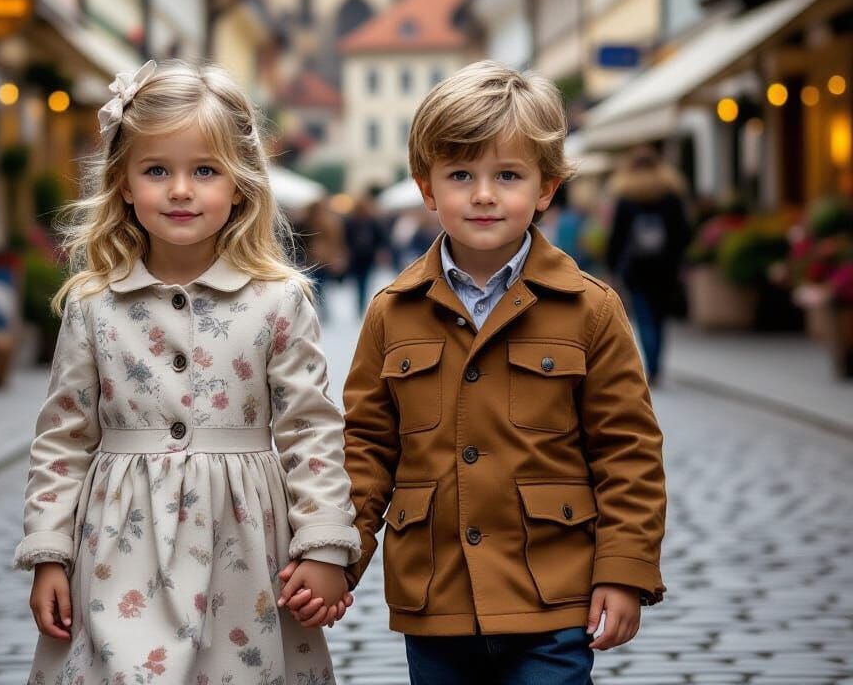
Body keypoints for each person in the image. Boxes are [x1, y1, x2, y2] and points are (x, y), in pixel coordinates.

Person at [281, 61, 667, 684]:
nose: (483, 194)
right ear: (428, 189)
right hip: (436, 600)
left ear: (546, 188)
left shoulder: (590, 308)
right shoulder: (393, 312)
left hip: (553, 596)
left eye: (508, 175)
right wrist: (334, 557)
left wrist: (624, 571)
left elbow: (628, 451)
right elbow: (364, 451)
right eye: (461, 174)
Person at [14, 59, 359, 685]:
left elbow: (313, 431)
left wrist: (325, 545)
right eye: (156, 170)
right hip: (120, 543)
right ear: (123, 182)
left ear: (241, 184)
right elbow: (62, 439)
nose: (180, 189)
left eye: (205, 170)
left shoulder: (277, 300)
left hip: (246, 547)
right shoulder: (94, 304)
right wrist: (48, 554)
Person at [605, 146, 690, 386]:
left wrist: (612, 266)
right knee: (660, 317)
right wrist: (679, 260)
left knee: (644, 318)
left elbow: (617, 237)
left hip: (636, 268)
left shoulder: (626, 195)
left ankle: (651, 366)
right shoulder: (670, 194)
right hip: (665, 268)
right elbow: (683, 232)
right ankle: (656, 365)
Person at [293, 198, 348, 320]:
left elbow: (334, 241)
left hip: (317, 257)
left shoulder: (317, 221)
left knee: (317, 285)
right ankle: (323, 310)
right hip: (321, 258)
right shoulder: (330, 221)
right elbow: (337, 242)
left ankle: (321, 309)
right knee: (319, 285)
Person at [344, 192, 388, 315]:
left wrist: (381, 251)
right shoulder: (351, 222)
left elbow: (381, 238)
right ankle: (360, 304)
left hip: (368, 256)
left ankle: (361, 304)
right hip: (356, 256)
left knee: (364, 281)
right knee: (359, 281)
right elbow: (346, 238)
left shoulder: (372, 221)